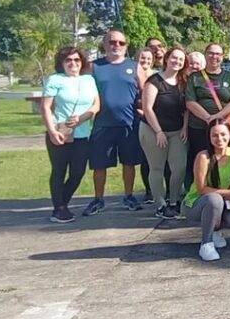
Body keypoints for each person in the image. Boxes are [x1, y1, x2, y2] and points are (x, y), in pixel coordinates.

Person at [83, 30, 145, 216]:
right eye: (112, 42)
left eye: (121, 43)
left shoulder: (135, 66)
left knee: (129, 163)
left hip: (129, 124)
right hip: (102, 126)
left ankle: (129, 196)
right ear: (105, 44)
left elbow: (144, 92)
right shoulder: (94, 67)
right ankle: (98, 199)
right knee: (99, 165)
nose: (116, 45)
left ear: (126, 46)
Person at [42, 46, 99, 223]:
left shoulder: (89, 80)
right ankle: (59, 209)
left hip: (82, 134)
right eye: (68, 60)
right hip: (60, 133)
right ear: (62, 63)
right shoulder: (55, 80)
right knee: (59, 171)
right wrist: (52, 131)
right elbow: (45, 107)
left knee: (78, 172)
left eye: (76, 60)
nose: (73, 63)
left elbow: (96, 105)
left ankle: (62, 204)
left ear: (82, 62)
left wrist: (82, 118)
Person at [183, 122, 230, 262]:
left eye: (223, 134)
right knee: (214, 199)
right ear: (209, 137)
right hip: (196, 203)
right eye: (215, 135)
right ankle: (206, 243)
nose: (219, 139)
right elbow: (202, 189)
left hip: (222, 201)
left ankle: (216, 230)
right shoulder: (203, 157)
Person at [184, 43, 230, 193]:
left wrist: (217, 117)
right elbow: (190, 102)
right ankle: (196, 191)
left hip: (222, 129)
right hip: (199, 126)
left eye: (218, 54)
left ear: (222, 57)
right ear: (205, 55)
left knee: (221, 159)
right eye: (211, 53)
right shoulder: (195, 78)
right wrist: (208, 118)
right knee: (200, 159)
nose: (214, 57)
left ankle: (222, 191)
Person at [139, 46, 190, 219]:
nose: (177, 62)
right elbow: (147, 108)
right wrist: (158, 131)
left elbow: (187, 109)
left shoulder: (184, 81)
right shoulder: (154, 81)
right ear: (167, 59)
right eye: (174, 58)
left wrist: (184, 127)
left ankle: (174, 201)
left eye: (181, 60)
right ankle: (160, 204)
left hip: (176, 131)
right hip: (153, 130)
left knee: (179, 167)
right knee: (157, 168)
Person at [134, 47, 158, 204]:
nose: (146, 61)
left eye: (149, 58)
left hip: (157, 120)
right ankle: (149, 190)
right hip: (139, 119)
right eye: (143, 58)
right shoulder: (132, 75)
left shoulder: (157, 76)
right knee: (145, 158)